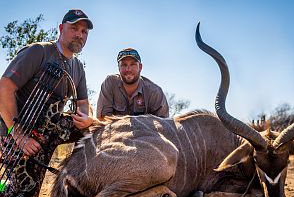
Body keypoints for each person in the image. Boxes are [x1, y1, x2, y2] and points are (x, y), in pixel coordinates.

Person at [0, 9, 94, 157]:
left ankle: (76, 175)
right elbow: (4, 87)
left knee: (94, 128)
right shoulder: (39, 51)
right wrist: (19, 136)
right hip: (17, 134)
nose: (79, 35)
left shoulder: (78, 67)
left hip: (46, 133)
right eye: (74, 28)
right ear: (61, 29)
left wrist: (86, 118)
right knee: (25, 181)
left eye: (84, 31)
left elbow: (83, 104)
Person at [96, 48, 169, 119]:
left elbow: (164, 126)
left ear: (140, 67)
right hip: (114, 131)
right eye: (124, 65)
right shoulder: (110, 83)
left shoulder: (154, 92)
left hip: (145, 131)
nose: (128, 69)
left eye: (132, 64)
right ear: (119, 68)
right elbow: (103, 119)